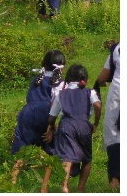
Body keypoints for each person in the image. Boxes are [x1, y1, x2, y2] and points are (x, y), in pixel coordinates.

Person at [9, 50, 66, 191]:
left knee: (22, 149)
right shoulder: (60, 83)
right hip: (46, 114)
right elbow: (57, 105)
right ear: (62, 67)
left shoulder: (36, 78)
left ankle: (12, 182)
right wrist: (51, 126)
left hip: (27, 113)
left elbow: (29, 98)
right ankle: (44, 187)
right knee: (50, 152)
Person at [43, 64, 101, 193]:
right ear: (84, 78)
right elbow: (97, 105)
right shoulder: (90, 92)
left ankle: (64, 186)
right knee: (87, 158)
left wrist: (52, 127)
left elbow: (52, 117)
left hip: (67, 126)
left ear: (68, 78)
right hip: (84, 125)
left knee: (66, 157)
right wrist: (95, 123)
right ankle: (81, 189)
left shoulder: (61, 94)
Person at [95, 43, 120, 190]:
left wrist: (101, 83)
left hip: (118, 95)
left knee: (115, 137)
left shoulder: (118, 48)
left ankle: (115, 180)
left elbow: (102, 78)